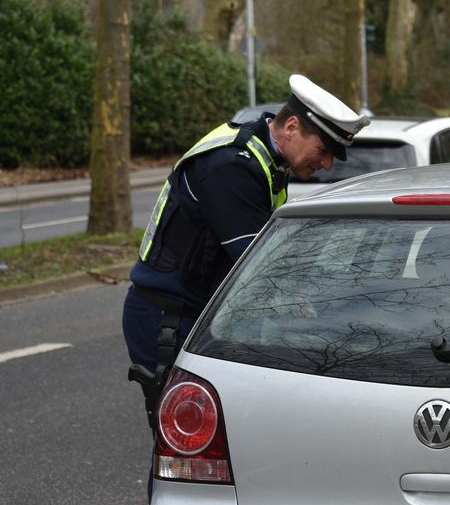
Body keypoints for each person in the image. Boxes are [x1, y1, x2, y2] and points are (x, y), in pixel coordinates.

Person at [123, 74, 370, 428]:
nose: (328, 164)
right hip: (168, 320)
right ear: (292, 127)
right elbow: (261, 269)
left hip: (200, 314)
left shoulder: (267, 160)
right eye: (324, 151)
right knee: (189, 447)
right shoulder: (231, 167)